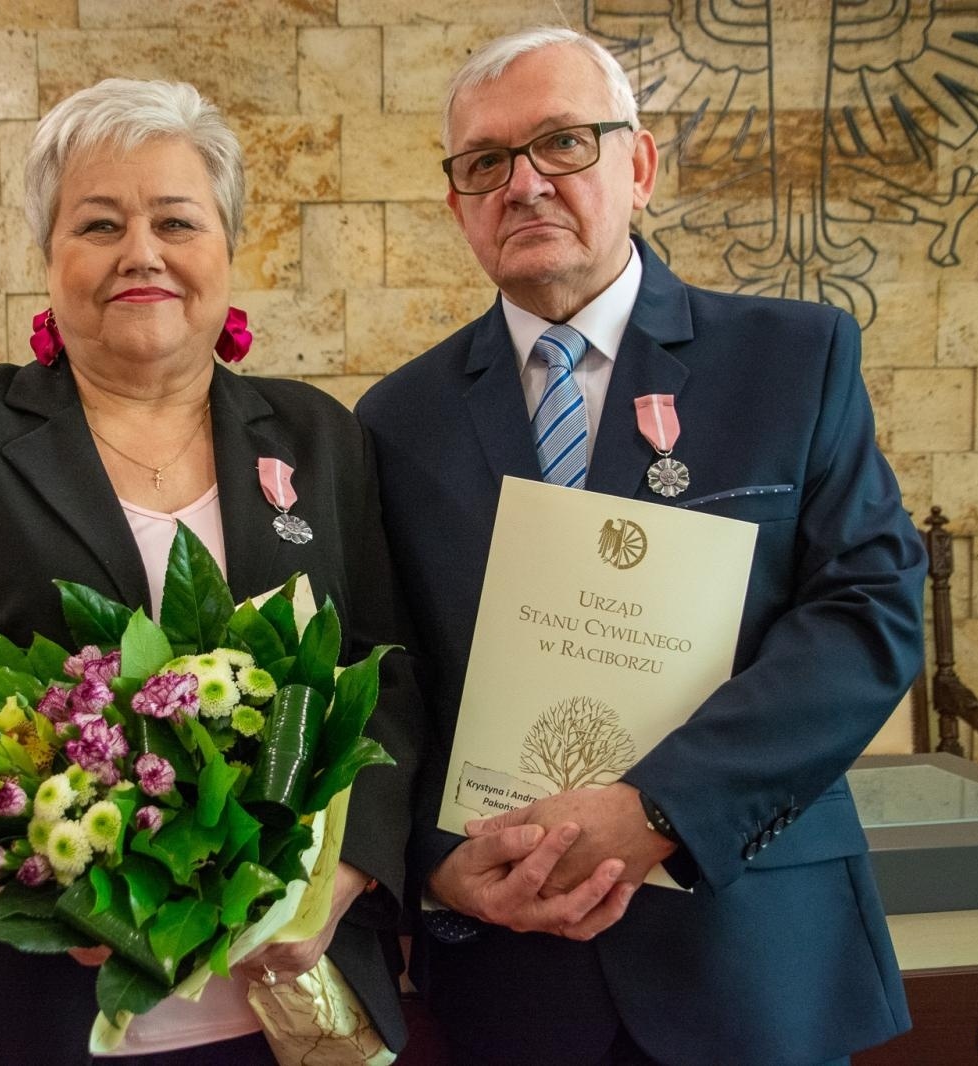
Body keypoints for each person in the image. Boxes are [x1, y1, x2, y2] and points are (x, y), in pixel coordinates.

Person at [356, 26, 925, 1066]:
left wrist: (663, 807)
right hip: (512, 973)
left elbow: (865, 617)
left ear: (640, 166)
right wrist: (437, 863)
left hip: (751, 956)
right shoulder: (399, 420)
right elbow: (388, 676)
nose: (524, 184)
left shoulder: (793, 359)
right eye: (485, 162)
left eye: (562, 143)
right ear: (457, 205)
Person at [0, 78, 418, 1066]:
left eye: (176, 221)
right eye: (99, 224)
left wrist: (347, 874)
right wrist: (47, 884)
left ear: (227, 248)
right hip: (38, 1006)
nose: (141, 252)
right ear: (49, 255)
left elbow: (385, 671)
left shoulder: (318, 435)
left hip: (284, 1007)